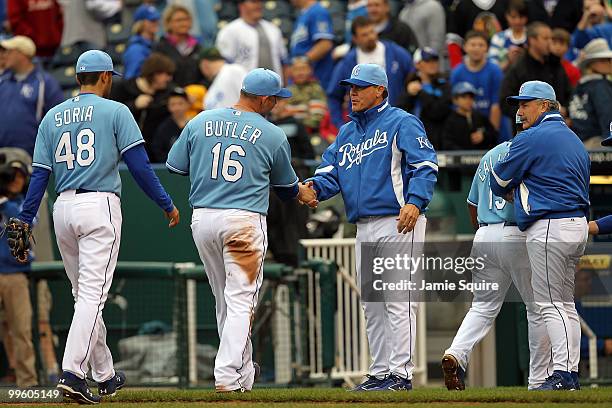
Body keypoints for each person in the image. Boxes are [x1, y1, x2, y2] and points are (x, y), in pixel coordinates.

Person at [9, 49, 180, 403]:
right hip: (98, 205)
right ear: (105, 77)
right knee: (92, 295)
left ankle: (104, 375)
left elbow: (39, 175)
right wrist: (165, 202)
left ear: (76, 79)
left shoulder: (52, 115)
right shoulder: (116, 111)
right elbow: (139, 166)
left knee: (82, 296)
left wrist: (27, 217)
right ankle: (72, 373)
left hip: (62, 208)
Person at [166, 68, 316, 392]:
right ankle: (226, 375)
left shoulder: (200, 121)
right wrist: (303, 192)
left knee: (225, 300)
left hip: (203, 218)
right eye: (274, 99)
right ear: (263, 98)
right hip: (242, 221)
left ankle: (243, 373)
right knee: (241, 301)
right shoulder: (273, 134)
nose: (276, 104)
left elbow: (175, 166)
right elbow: (288, 187)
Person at [307, 63, 437, 391]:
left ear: (380, 89)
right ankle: (379, 373)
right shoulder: (348, 132)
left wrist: (416, 201)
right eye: (351, 87)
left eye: (360, 87)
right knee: (373, 303)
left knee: (397, 298)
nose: (352, 92)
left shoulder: (402, 122)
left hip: (398, 221)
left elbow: (425, 165)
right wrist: (312, 189)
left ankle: (400, 374)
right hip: (363, 224)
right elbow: (329, 173)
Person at [490, 80, 590, 390]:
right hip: (577, 225)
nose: (519, 111)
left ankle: (562, 373)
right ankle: (569, 371)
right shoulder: (575, 139)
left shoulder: (531, 137)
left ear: (544, 105)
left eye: (525, 104)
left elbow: (497, 179)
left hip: (550, 225)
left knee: (550, 304)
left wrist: (517, 189)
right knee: (565, 305)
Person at [326, 16, 414, 129]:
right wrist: (341, 125)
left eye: (372, 32)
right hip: (363, 127)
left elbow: (414, 77)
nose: (370, 37)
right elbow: (333, 96)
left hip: (396, 121)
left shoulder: (396, 53)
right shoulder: (347, 62)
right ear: (355, 39)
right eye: (364, 35)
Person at [0, 148, 37, 388]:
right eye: (10, 176)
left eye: (20, 176)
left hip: (14, 277)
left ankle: (28, 384)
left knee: (22, 331)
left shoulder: (21, 206)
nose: (15, 181)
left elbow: (27, 225)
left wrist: (7, 205)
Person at [499, 22, 571, 131]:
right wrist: (529, 114)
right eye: (546, 38)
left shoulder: (555, 64)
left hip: (557, 128)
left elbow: (569, 93)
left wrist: (567, 111)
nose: (550, 43)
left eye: (551, 38)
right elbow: (505, 102)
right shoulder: (518, 67)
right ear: (532, 40)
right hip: (526, 132)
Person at [0, 36, 63, 156]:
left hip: (32, 157)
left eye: (8, 51)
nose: (4, 55)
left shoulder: (45, 83)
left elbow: (58, 120)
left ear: (22, 54)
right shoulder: (2, 82)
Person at [110, 52, 175, 157]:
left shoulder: (167, 93)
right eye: (166, 74)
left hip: (152, 154)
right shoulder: (122, 88)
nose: (169, 79)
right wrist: (134, 105)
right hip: (122, 150)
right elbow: (110, 116)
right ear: (154, 73)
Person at [397, 47, 451, 150]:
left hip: (438, 140)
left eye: (435, 60)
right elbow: (399, 111)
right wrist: (408, 95)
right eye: (427, 61)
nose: (432, 64)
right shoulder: (409, 84)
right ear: (417, 64)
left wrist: (421, 92)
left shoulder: (444, 84)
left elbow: (439, 111)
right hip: (413, 139)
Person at [216, 0, 287, 77]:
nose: (258, 6)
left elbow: (284, 62)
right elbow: (222, 65)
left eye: (259, 2)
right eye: (254, 2)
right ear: (241, 6)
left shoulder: (273, 29)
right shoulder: (229, 31)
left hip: (275, 86)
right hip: (241, 86)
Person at [451, 30, 504, 135]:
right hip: (465, 129)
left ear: (487, 48)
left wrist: (490, 134)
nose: (476, 48)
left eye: (481, 45)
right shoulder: (457, 72)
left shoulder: (495, 71)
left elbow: (496, 105)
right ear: (465, 47)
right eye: (473, 45)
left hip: (491, 127)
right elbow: (455, 106)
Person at [569, 38, 612, 148]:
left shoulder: (580, 85)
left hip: (577, 144)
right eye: (604, 60)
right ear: (592, 64)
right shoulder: (600, 86)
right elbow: (607, 117)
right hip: (597, 143)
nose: (609, 63)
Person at [289, 0, 335, 89]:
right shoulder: (303, 14)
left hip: (316, 82)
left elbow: (325, 44)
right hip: (302, 82)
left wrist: (303, 61)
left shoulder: (317, 11)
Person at [153, 4, 202, 86]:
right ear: (168, 23)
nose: (184, 23)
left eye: (186, 19)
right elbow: (157, 78)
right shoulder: (160, 48)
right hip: (169, 95)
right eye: (179, 20)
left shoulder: (197, 47)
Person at [441, 82, 496, 150]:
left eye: (471, 97)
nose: (468, 100)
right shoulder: (450, 120)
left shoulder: (479, 117)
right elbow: (447, 143)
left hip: (480, 157)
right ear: (455, 100)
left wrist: (483, 136)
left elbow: (494, 135)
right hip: (457, 159)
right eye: (464, 97)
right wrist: (463, 155)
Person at [286, 56, 328, 132]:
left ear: (310, 70)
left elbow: (317, 118)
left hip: (311, 133)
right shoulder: (288, 91)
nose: (300, 73)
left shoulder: (316, 89)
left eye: (303, 69)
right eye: (296, 69)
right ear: (291, 71)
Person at [152, 86, 190, 163]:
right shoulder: (163, 128)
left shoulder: (195, 125)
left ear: (188, 104)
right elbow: (158, 151)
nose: (177, 108)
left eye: (180, 103)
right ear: (168, 106)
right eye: (173, 104)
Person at [123, 4, 161, 80]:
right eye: (152, 20)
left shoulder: (155, 45)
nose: (156, 23)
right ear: (141, 23)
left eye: (157, 20)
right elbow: (131, 80)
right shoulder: (136, 49)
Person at [488, 0, 528, 71]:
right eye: (513, 17)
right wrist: (508, 60)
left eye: (521, 17)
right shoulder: (498, 38)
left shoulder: (532, 37)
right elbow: (492, 70)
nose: (517, 21)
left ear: (526, 17)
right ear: (507, 16)